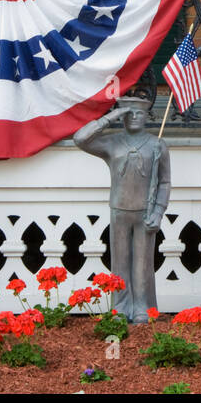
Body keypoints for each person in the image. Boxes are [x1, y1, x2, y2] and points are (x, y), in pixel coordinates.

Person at [73, 97, 171, 322]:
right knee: (120, 261)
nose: (135, 117)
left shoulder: (157, 145)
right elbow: (80, 139)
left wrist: (158, 211)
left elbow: (165, 182)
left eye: (140, 113)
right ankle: (121, 307)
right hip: (119, 210)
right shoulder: (112, 143)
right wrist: (110, 117)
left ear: (148, 116)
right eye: (130, 113)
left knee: (143, 264)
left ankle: (141, 307)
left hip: (145, 212)